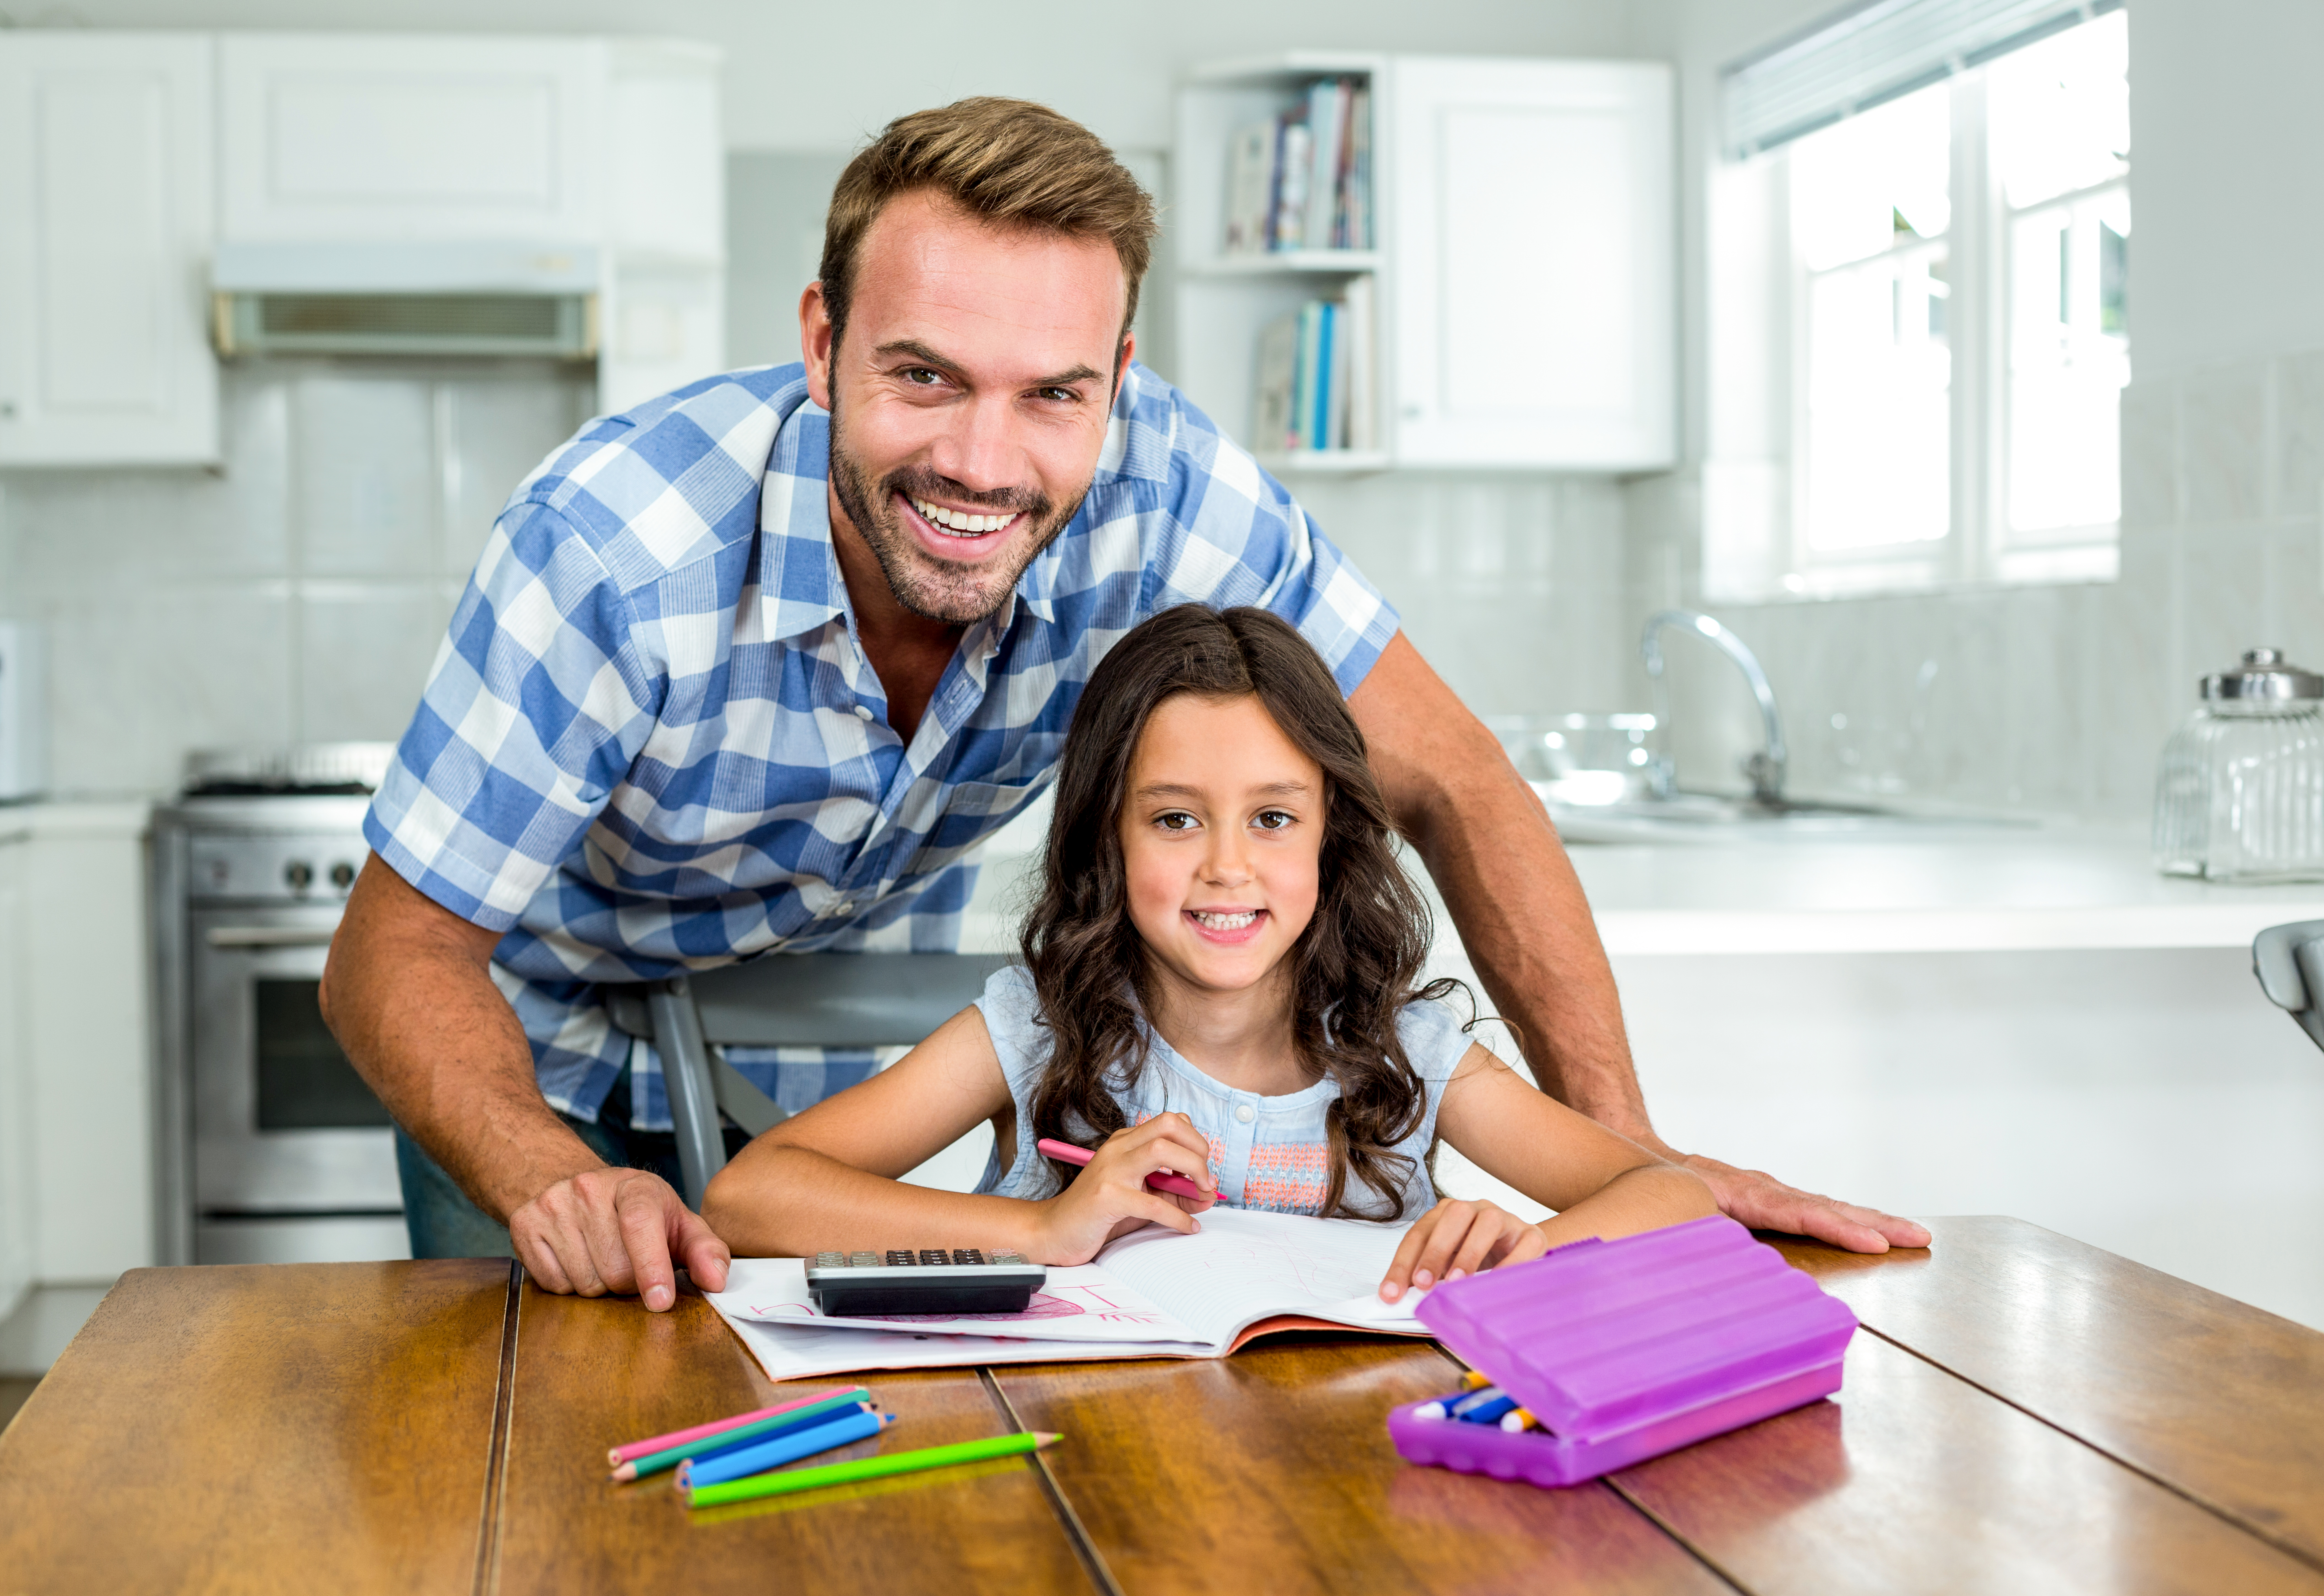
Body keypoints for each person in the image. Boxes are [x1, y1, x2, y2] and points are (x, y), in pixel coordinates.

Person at [321, 96, 1926, 1315]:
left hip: (824, 1032)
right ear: (822, 347)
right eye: (924, 376)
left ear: (1122, 382)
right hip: (529, 1034)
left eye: (1054, 395)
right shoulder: (612, 548)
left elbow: (1457, 783)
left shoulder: (1169, 490)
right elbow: (398, 947)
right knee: (534, 1454)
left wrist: (1628, 1184)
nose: (981, 460)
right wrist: (550, 1178)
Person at [706, 606, 1719, 1298]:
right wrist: (1046, 1232)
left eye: (1274, 818)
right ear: (1109, 836)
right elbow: (751, 1194)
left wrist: (1532, 1250)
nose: (1228, 869)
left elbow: (1672, 1193)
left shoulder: (1409, 1051)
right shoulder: (1033, 1028)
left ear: (1333, 831)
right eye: (1177, 821)